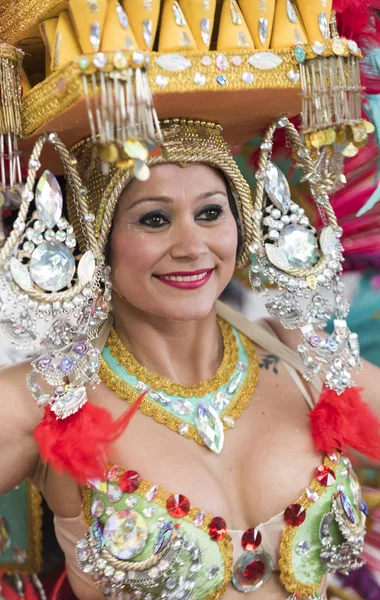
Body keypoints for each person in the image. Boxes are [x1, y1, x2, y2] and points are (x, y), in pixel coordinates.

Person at [0, 118, 380, 600]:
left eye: (210, 213)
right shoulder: (49, 397)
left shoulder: (302, 358)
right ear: (95, 239)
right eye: (154, 219)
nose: (192, 246)